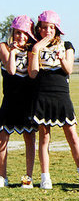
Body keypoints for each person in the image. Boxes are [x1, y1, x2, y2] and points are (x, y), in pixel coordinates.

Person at [28, 11, 79, 190]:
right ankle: (45, 177)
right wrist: (36, 50)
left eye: (51, 28)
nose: (48, 31)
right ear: (39, 29)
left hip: (61, 95)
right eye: (44, 27)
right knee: (44, 138)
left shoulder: (66, 45)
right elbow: (32, 73)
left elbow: (69, 69)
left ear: (57, 29)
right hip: (42, 95)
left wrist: (61, 58)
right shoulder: (34, 47)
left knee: (73, 137)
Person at [0, 16, 38, 188]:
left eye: (24, 33)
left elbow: (32, 74)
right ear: (12, 33)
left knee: (29, 138)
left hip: (27, 101)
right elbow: (11, 70)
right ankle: (2, 177)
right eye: (17, 32)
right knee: (2, 139)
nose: (20, 37)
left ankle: (28, 177)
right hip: (9, 100)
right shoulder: (3, 47)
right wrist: (13, 52)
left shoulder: (32, 50)